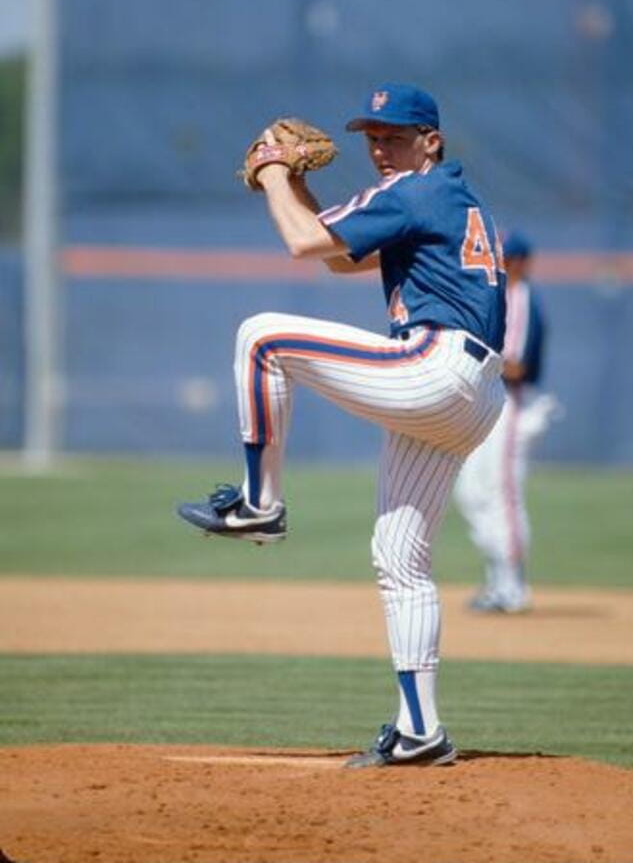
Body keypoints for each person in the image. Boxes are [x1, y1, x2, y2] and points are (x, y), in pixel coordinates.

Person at [177, 83, 507, 767]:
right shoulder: (441, 197)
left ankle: (259, 505)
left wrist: (271, 169)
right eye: (372, 137)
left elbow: (302, 244)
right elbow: (334, 252)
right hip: (472, 395)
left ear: (431, 142)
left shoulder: (413, 192)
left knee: (263, 336)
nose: (380, 148)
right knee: (400, 560)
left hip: (436, 365)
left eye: (394, 135)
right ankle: (421, 730)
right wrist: (290, 183)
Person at [453, 231, 560, 614]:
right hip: (488, 404)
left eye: (510, 258)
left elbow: (517, 366)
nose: (504, 264)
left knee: (503, 494)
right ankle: (498, 581)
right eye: (502, 257)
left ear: (521, 262)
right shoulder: (500, 297)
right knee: (470, 492)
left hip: (512, 405)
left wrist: (471, 356)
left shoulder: (521, 298)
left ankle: (514, 587)